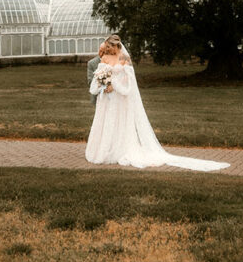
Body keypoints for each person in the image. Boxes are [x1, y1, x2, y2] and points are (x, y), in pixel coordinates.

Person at [86, 38, 229, 172]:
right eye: (108, 47)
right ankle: (106, 149)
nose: (110, 49)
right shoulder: (105, 58)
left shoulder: (124, 58)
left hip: (121, 95)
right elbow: (99, 76)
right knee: (108, 121)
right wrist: (106, 84)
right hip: (109, 97)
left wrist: (117, 84)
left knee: (121, 122)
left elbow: (129, 78)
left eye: (112, 47)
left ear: (117, 46)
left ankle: (120, 149)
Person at [87, 33, 122, 106]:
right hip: (100, 94)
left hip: (116, 92)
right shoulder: (92, 63)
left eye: (104, 51)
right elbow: (90, 80)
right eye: (100, 51)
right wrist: (105, 85)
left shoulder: (118, 59)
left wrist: (113, 85)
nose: (101, 53)